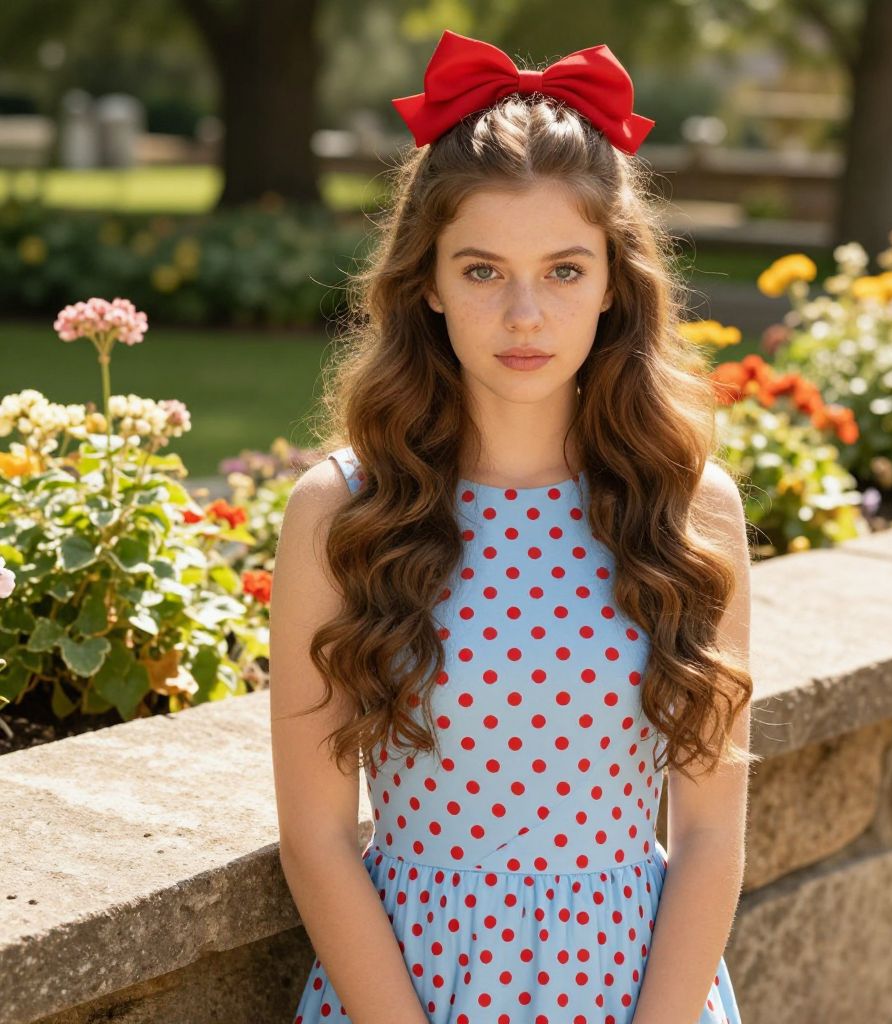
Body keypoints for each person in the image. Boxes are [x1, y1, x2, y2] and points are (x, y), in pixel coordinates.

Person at [270, 29, 756, 1024]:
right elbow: (317, 837)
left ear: (614, 282)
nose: (525, 315)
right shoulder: (341, 511)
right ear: (429, 284)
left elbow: (709, 832)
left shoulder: (691, 508)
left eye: (564, 270)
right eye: (484, 270)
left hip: (639, 994)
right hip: (414, 992)